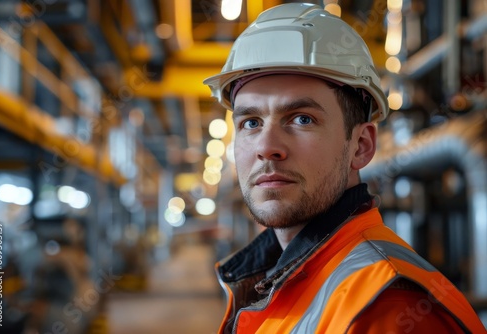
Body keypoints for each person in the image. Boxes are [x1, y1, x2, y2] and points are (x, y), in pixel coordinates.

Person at [204, 3, 486, 334]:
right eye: (251, 122)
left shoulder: (389, 309)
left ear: (362, 146)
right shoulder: (276, 280)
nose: (267, 147)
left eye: (302, 119)